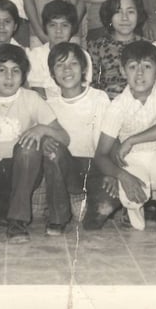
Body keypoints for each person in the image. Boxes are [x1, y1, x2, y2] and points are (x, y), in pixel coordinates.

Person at [0, 44, 71, 242]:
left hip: (25, 168)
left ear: (23, 75)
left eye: (15, 70)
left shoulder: (31, 98)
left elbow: (64, 137)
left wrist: (42, 129)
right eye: (2, 70)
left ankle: (18, 222)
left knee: (30, 148)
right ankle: (9, 212)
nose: (9, 77)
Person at [92, 40, 156, 232]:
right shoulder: (117, 106)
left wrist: (132, 140)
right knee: (135, 208)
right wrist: (123, 176)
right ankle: (135, 208)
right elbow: (100, 155)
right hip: (135, 164)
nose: (139, 73)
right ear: (122, 71)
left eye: (147, 67)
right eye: (132, 67)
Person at [44, 42, 121, 231]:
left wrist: (111, 173)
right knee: (53, 150)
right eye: (60, 65)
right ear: (52, 74)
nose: (67, 70)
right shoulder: (49, 104)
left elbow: (108, 139)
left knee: (108, 202)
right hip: (67, 168)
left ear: (84, 68)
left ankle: (87, 209)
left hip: (95, 166)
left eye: (73, 64)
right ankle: (58, 218)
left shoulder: (98, 98)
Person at [27, 0, 93, 100]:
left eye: (64, 25)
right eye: (52, 25)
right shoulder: (35, 55)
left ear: (72, 28)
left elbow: (84, 91)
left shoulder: (83, 55)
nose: (58, 31)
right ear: (45, 28)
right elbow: (38, 93)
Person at [88, 0, 146, 99]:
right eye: (118, 12)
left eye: (130, 12)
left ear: (138, 15)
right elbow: (91, 87)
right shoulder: (96, 47)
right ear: (109, 16)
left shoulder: (148, 46)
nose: (125, 18)